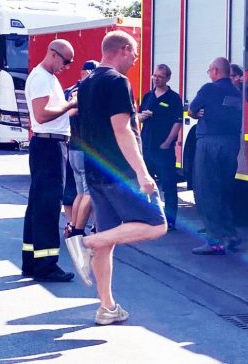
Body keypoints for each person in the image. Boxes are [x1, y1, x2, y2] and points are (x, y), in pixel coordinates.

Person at [65, 31, 167, 326]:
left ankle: (107, 307)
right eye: (135, 54)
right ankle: (87, 241)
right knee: (156, 225)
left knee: (107, 244)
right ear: (123, 50)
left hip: (96, 172)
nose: (135, 61)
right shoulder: (117, 82)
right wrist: (143, 173)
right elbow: (122, 130)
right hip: (120, 172)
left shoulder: (86, 84)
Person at [22, 39, 78, 282]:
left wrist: (69, 107)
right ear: (53, 54)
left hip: (48, 144)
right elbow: (42, 115)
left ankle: (32, 261)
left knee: (38, 204)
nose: (66, 67)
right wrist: (70, 104)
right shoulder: (42, 78)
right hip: (49, 145)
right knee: (48, 205)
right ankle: (46, 265)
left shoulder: (46, 77)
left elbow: (50, 112)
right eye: (66, 61)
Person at [188, 57, 242, 255]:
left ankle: (214, 241)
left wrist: (198, 114)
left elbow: (192, 110)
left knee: (206, 191)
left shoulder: (209, 89)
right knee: (223, 190)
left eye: (209, 70)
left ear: (216, 71)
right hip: (231, 144)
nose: (209, 74)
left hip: (210, 143)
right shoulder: (237, 92)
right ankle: (230, 234)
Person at [137, 64, 183, 230]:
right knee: (146, 184)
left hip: (163, 149)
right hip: (147, 147)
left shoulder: (173, 98)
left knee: (169, 185)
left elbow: (177, 123)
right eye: (154, 76)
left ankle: (170, 221)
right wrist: (141, 116)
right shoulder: (148, 96)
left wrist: (168, 143)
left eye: (160, 77)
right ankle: (149, 218)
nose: (156, 79)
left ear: (168, 78)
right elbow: (138, 117)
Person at [64, 60, 98, 239]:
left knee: (80, 192)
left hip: (73, 146)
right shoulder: (87, 92)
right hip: (86, 148)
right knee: (89, 192)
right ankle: (78, 229)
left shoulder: (70, 90)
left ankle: (72, 227)